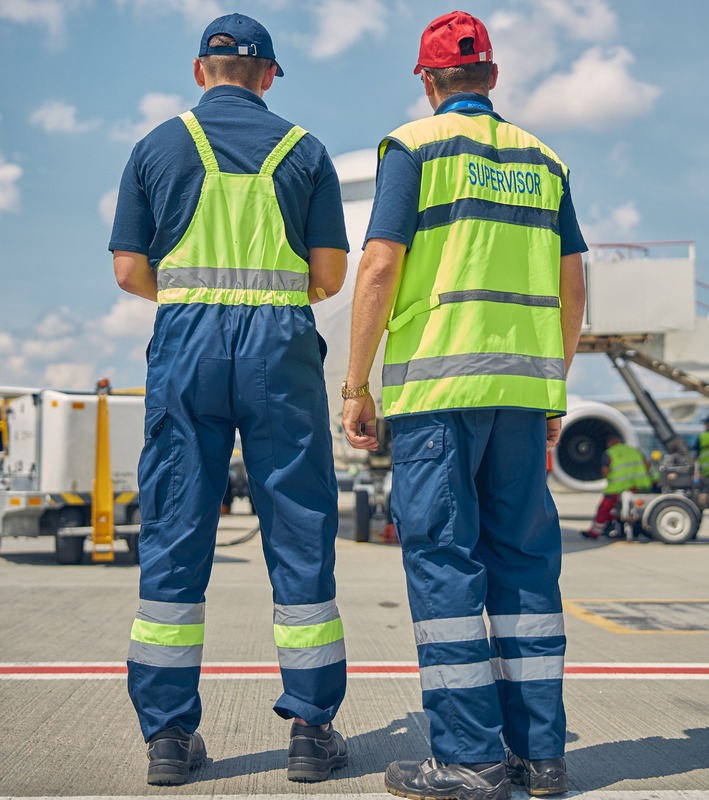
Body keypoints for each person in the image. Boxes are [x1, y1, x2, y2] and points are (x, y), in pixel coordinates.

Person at [342, 11, 586, 799]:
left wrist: (356, 383)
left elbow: (380, 262)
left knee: (447, 567)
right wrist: (554, 383)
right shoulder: (545, 160)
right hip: (521, 394)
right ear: (493, 77)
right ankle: (538, 757)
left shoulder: (413, 148)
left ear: (428, 80)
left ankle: (470, 758)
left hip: (439, 394)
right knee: (525, 571)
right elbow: (573, 279)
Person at [110, 13, 349, 786]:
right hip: (280, 348)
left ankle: (170, 739)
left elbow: (127, 272)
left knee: (178, 528)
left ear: (198, 70)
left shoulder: (155, 147)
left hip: (187, 347)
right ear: (269, 74)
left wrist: (189, 297)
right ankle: (312, 731)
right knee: (300, 527)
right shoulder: (305, 149)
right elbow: (329, 277)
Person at [583, 436, 652, 539]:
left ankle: (595, 533)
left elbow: (605, 472)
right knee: (638, 510)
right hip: (638, 486)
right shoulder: (635, 450)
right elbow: (647, 466)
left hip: (617, 487)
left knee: (604, 509)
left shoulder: (609, 453)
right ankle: (634, 530)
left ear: (610, 444)